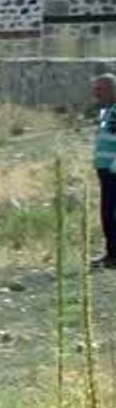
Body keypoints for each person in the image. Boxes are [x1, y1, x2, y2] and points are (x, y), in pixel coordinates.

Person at [91, 74, 116, 269]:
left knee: (112, 214)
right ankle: (111, 253)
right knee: (107, 213)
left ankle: (114, 256)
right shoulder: (106, 111)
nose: (96, 93)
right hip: (105, 171)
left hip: (113, 171)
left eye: (100, 89)